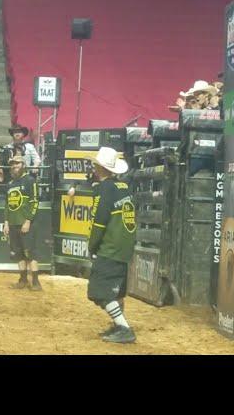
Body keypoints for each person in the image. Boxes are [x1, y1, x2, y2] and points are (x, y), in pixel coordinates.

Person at [86, 147, 137, 344]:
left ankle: (124, 327)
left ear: (99, 167)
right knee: (116, 291)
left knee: (99, 291)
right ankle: (118, 325)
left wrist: (92, 246)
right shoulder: (123, 187)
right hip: (123, 248)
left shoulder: (105, 188)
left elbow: (99, 221)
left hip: (110, 247)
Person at [3, 156, 40, 290]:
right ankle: (23, 280)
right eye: (12, 164)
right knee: (18, 254)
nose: (14, 166)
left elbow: (35, 201)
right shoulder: (10, 184)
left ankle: (35, 282)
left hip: (26, 224)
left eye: (17, 163)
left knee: (30, 253)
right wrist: (6, 223)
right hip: (13, 224)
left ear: (23, 164)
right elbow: (7, 205)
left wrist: (28, 221)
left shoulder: (30, 180)